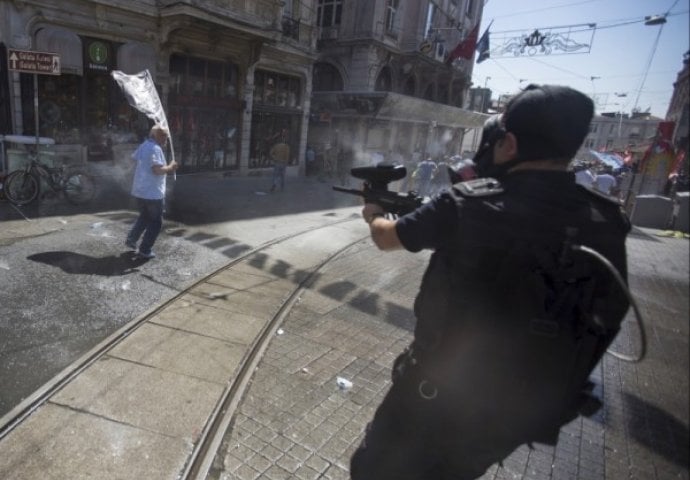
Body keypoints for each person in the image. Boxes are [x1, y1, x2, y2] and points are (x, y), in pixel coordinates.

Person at [351, 84, 631, 480]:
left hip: (434, 393)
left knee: (372, 471)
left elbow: (385, 237)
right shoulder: (604, 217)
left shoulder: (469, 203)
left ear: (510, 143)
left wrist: (374, 210)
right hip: (516, 413)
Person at [125, 124, 178, 259]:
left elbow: (133, 160)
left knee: (145, 216)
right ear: (158, 136)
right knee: (156, 222)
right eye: (165, 136)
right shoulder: (155, 148)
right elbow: (157, 170)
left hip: (140, 190)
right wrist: (171, 167)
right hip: (152, 193)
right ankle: (145, 249)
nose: (166, 140)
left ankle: (132, 238)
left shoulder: (144, 145)